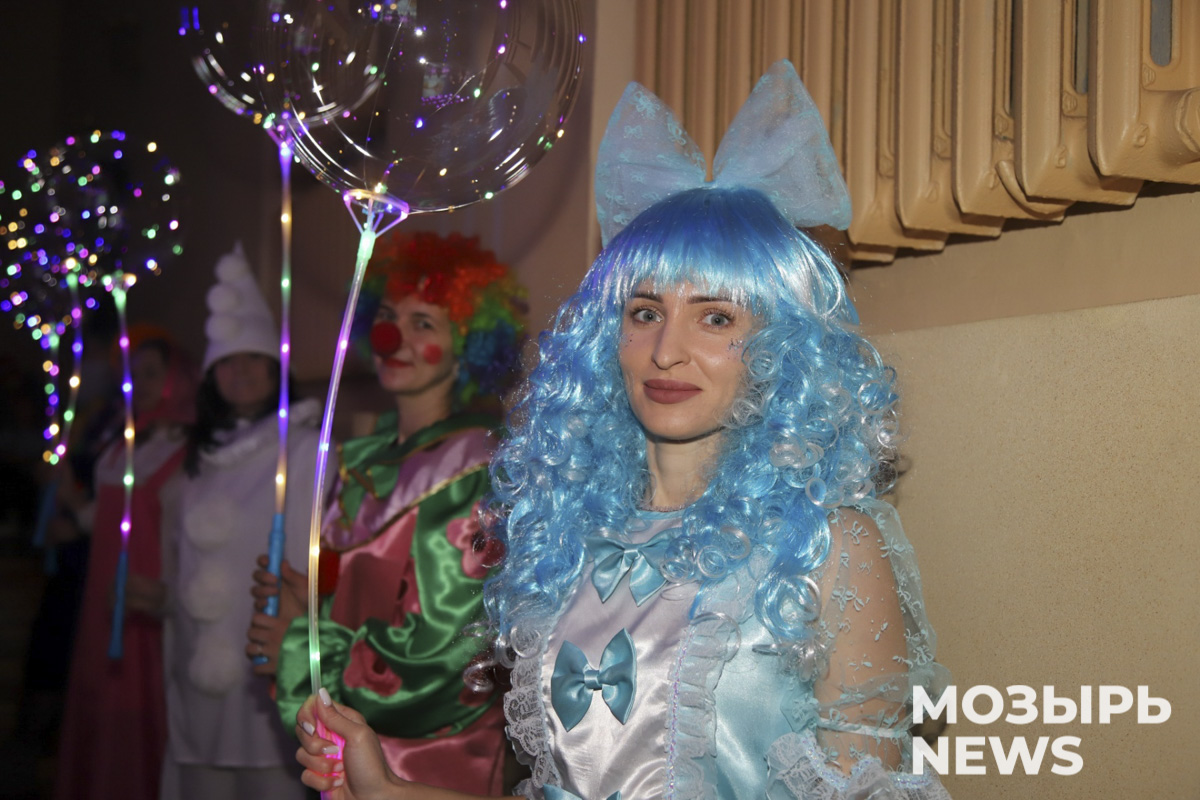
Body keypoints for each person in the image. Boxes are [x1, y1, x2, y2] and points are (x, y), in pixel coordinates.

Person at [292, 62, 951, 800]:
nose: (666, 351)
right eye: (645, 312)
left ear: (781, 346)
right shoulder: (561, 541)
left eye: (715, 317)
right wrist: (385, 790)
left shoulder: (826, 548)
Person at [258, 231, 529, 795]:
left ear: (469, 344)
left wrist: (298, 648)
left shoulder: (474, 469)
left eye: (423, 323)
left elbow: (442, 661)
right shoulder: (367, 459)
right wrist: (309, 606)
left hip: (427, 770)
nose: (392, 337)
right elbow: (361, 595)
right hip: (343, 757)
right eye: (385, 317)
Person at [158, 243, 326, 800]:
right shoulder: (197, 460)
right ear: (212, 377)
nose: (242, 371)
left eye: (254, 357)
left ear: (276, 366)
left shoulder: (304, 448)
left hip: (268, 654)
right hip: (199, 664)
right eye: (229, 362)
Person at [54, 333, 197, 800]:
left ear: (177, 379)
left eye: (153, 373)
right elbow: (106, 516)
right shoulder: (122, 442)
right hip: (103, 595)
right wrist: (73, 509)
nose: (142, 384)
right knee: (99, 688)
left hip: (146, 598)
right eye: (134, 375)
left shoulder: (189, 449)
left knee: (141, 695)